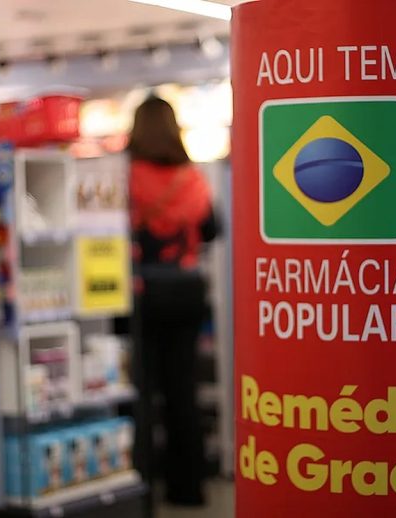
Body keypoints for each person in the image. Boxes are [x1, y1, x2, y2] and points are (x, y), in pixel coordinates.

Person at [128, 96, 218, 507]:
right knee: (183, 391)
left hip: (144, 294)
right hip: (187, 291)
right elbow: (213, 229)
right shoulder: (192, 178)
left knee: (142, 391)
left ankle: (143, 488)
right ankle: (189, 489)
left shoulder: (129, 177)